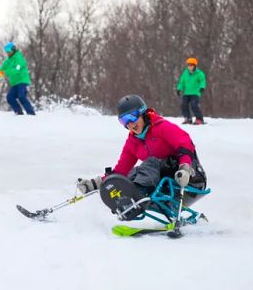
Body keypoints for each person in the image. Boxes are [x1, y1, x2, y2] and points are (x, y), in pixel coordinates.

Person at [77, 95, 207, 216]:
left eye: (132, 117)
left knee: (150, 163)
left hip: (189, 179)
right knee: (130, 175)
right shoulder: (132, 142)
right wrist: (96, 183)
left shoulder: (161, 127)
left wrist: (185, 167)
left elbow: (185, 143)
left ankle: (135, 198)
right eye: (124, 121)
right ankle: (127, 201)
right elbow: (120, 171)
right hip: (164, 186)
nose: (130, 124)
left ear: (143, 113)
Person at [0, 41, 36, 115]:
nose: (8, 53)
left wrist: (5, 72)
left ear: (13, 49)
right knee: (10, 97)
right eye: (7, 52)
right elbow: (1, 72)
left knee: (21, 96)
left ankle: (31, 113)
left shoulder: (19, 57)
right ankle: (19, 113)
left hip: (22, 80)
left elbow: (16, 70)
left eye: (9, 51)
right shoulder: (7, 62)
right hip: (15, 83)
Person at [176, 57, 206, 125]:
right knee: (184, 105)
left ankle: (199, 119)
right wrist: (179, 89)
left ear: (195, 66)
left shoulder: (199, 73)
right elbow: (182, 82)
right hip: (186, 92)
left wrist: (202, 87)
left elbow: (202, 80)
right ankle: (188, 118)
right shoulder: (185, 73)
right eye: (188, 65)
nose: (190, 67)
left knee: (194, 105)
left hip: (195, 93)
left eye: (191, 65)